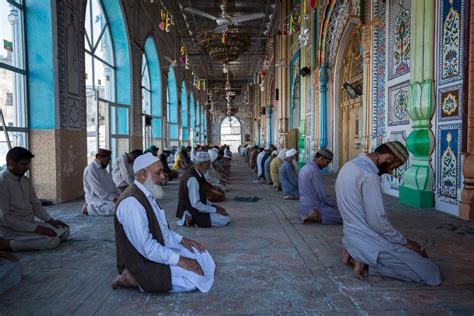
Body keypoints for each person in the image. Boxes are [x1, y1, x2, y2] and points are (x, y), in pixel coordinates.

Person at [335, 141, 441, 285]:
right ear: (389, 159)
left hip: (350, 236)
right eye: (394, 167)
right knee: (430, 272)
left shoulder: (348, 166)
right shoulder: (369, 175)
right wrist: (407, 242)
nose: (391, 171)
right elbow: (378, 223)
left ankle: (357, 253)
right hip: (368, 241)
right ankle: (370, 264)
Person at [112, 153, 215, 293]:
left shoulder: (147, 194)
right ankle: (132, 277)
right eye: (158, 172)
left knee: (199, 253)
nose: (163, 176)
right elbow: (146, 247)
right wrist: (179, 260)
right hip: (142, 261)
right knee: (194, 279)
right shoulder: (131, 203)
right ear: (143, 174)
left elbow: (162, 230)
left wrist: (182, 240)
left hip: (155, 249)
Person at [0, 147, 69, 251]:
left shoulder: (25, 180)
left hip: (29, 225)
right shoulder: (2, 181)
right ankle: (7, 244)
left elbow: (35, 204)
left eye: (28, 164)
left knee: (65, 230)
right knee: (52, 241)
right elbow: (5, 218)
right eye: (24, 164)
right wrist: (36, 228)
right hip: (12, 229)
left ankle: (29, 239)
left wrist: (49, 220)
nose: (28, 167)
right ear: (11, 163)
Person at [176, 152, 231, 228]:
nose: (208, 167)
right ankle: (190, 218)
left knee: (225, 215)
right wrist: (215, 210)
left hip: (195, 208)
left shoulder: (197, 173)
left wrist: (214, 206)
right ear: (200, 164)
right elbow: (196, 204)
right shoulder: (193, 179)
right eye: (207, 165)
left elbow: (201, 196)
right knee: (224, 219)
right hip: (191, 210)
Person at [299, 148, 342, 224]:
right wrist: (337, 205)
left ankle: (310, 215)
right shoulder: (313, 170)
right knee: (342, 216)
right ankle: (317, 216)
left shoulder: (304, 168)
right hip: (314, 206)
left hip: (303, 206)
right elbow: (322, 196)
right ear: (321, 158)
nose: (326, 165)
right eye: (327, 162)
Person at [83, 148, 121, 216]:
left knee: (124, 204)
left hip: (109, 197)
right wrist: (114, 199)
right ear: (99, 158)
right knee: (118, 208)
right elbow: (98, 190)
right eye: (107, 160)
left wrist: (120, 194)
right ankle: (89, 209)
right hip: (97, 199)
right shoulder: (91, 170)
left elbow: (112, 183)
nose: (108, 163)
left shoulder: (103, 169)